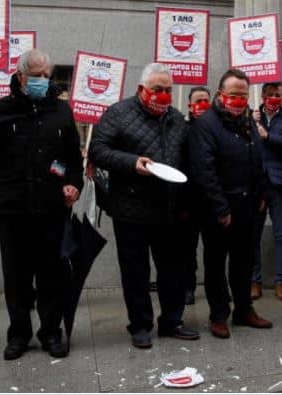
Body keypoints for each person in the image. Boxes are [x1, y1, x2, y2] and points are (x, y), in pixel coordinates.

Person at [0, 49, 84, 360]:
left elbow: (73, 158)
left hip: (52, 208)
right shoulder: (1, 110)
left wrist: (74, 184)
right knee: (16, 276)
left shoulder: (61, 111)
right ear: (20, 77)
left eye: (47, 76)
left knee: (51, 274)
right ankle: (18, 334)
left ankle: (50, 332)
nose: (43, 81)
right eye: (37, 76)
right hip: (11, 208)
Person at [89, 63, 199, 348]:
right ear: (141, 89)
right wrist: (130, 162)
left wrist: (187, 201)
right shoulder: (118, 113)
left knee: (173, 270)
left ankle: (172, 321)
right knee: (135, 272)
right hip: (130, 209)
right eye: (157, 90)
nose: (163, 95)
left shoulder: (176, 118)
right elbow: (98, 151)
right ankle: (140, 325)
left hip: (170, 210)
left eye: (167, 90)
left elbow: (187, 161)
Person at [189, 68, 273, 338]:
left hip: (249, 206)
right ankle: (219, 314)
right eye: (234, 95)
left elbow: (258, 160)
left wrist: (262, 195)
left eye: (244, 95)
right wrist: (220, 208)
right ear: (220, 94)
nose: (239, 100)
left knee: (244, 261)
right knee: (215, 264)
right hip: (219, 210)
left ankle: (244, 309)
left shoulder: (247, 121)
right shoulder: (206, 125)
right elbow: (205, 170)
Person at [248, 82, 282, 301]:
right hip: (256, 184)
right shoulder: (250, 117)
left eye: (276, 95)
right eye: (269, 94)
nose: (272, 98)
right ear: (261, 95)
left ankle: (281, 281)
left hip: (281, 185)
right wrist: (252, 126)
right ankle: (255, 281)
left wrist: (268, 136)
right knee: (253, 235)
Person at [180, 86, 211, 305]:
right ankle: (187, 287)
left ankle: (215, 287)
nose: (202, 104)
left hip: (211, 198)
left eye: (206, 100)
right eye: (198, 100)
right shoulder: (181, 129)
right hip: (189, 199)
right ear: (190, 104)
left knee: (213, 249)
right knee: (187, 248)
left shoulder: (217, 128)